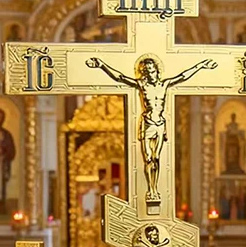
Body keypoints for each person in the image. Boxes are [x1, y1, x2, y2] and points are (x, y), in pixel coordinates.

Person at [86, 55, 217, 202]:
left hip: (160, 124)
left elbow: (183, 76)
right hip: (148, 123)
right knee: (148, 158)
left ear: (156, 70)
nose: (150, 73)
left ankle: (155, 189)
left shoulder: (165, 84)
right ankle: (151, 190)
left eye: (152, 70)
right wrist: (102, 64)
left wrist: (201, 66)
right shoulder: (143, 85)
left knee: (156, 158)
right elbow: (120, 77)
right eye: (147, 71)